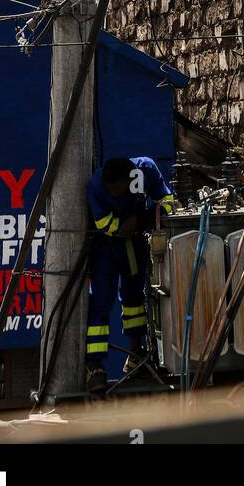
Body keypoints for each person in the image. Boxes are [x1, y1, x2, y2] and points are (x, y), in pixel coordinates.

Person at [85, 155, 175, 392]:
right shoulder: (96, 184)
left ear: (129, 180)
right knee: (101, 302)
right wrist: (121, 227)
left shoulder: (146, 168)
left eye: (117, 189)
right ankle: (95, 365)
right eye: (109, 189)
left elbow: (167, 200)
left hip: (135, 245)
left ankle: (137, 353)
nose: (112, 193)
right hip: (107, 248)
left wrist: (141, 219)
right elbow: (103, 222)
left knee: (134, 301)